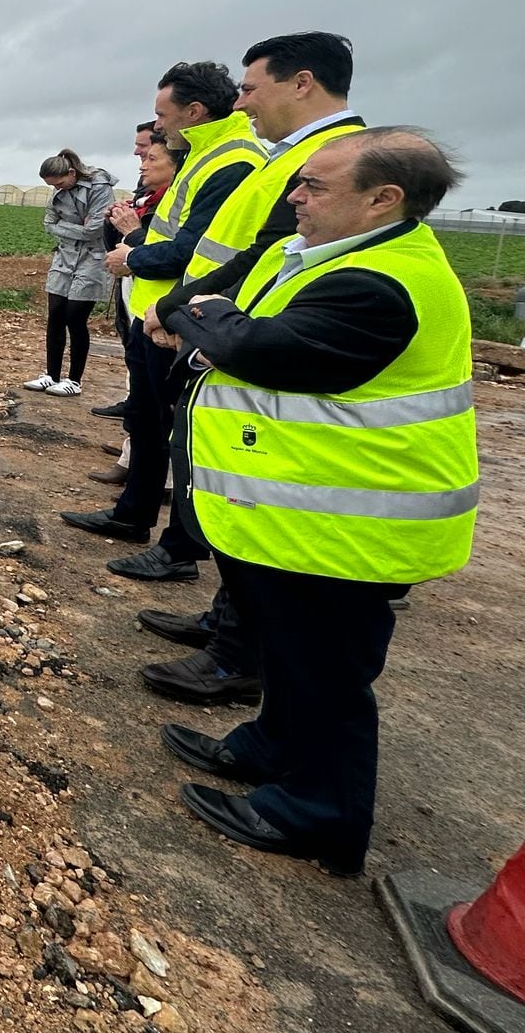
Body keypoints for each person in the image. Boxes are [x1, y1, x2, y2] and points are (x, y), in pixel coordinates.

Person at [158, 128, 475, 877]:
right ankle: (273, 748)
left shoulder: (382, 283)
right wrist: (214, 320)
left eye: (315, 186)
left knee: (328, 676)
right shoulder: (331, 257)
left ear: (383, 199)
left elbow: (261, 348)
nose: (295, 197)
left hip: (353, 528)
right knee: (288, 656)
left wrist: (214, 323)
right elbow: (208, 314)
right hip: (299, 520)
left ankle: (317, 813)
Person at [128, 33, 364, 707]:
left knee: (248, 501)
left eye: (252, 86)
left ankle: (237, 654)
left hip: (240, 343)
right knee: (222, 484)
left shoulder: (331, 161)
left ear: (303, 83)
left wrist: (179, 309)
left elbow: (260, 255)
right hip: (220, 334)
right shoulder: (282, 157)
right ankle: (227, 629)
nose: (242, 99)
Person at [61, 63, 264, 549]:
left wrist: (134, 256)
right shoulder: (203, 154)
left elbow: (190, 249)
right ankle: (132, 515)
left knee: (181, 431)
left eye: (162, 115)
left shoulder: (232, 161)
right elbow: (172, 233)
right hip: (159, 312)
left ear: (194, 112)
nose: (156, 128)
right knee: (149, 422)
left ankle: (181, 547)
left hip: (182, 317)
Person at [23, 150, 116, 396]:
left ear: (72, 173)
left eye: (61, 183)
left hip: (91, 259)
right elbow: (48, 223)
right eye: (53, 186)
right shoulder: (59, 191)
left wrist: (62, 226)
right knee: (55, 315)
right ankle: (50, 375)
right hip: (64, 256)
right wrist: (75, 227)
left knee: (75, 317)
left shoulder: (99, 186)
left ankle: (74, 380)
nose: (58, 189)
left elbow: (95, 230)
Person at [90, 122, 158, 421]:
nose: (138, 156)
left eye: (146, 152)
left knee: (149, 370)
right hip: (134, 280)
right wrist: (111, 224)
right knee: (133, 350)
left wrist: (131, 233)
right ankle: (132, 427)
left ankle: (136, 433)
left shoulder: (169, 198)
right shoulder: (145, 194)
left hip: (154, 291)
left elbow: (165, 252)